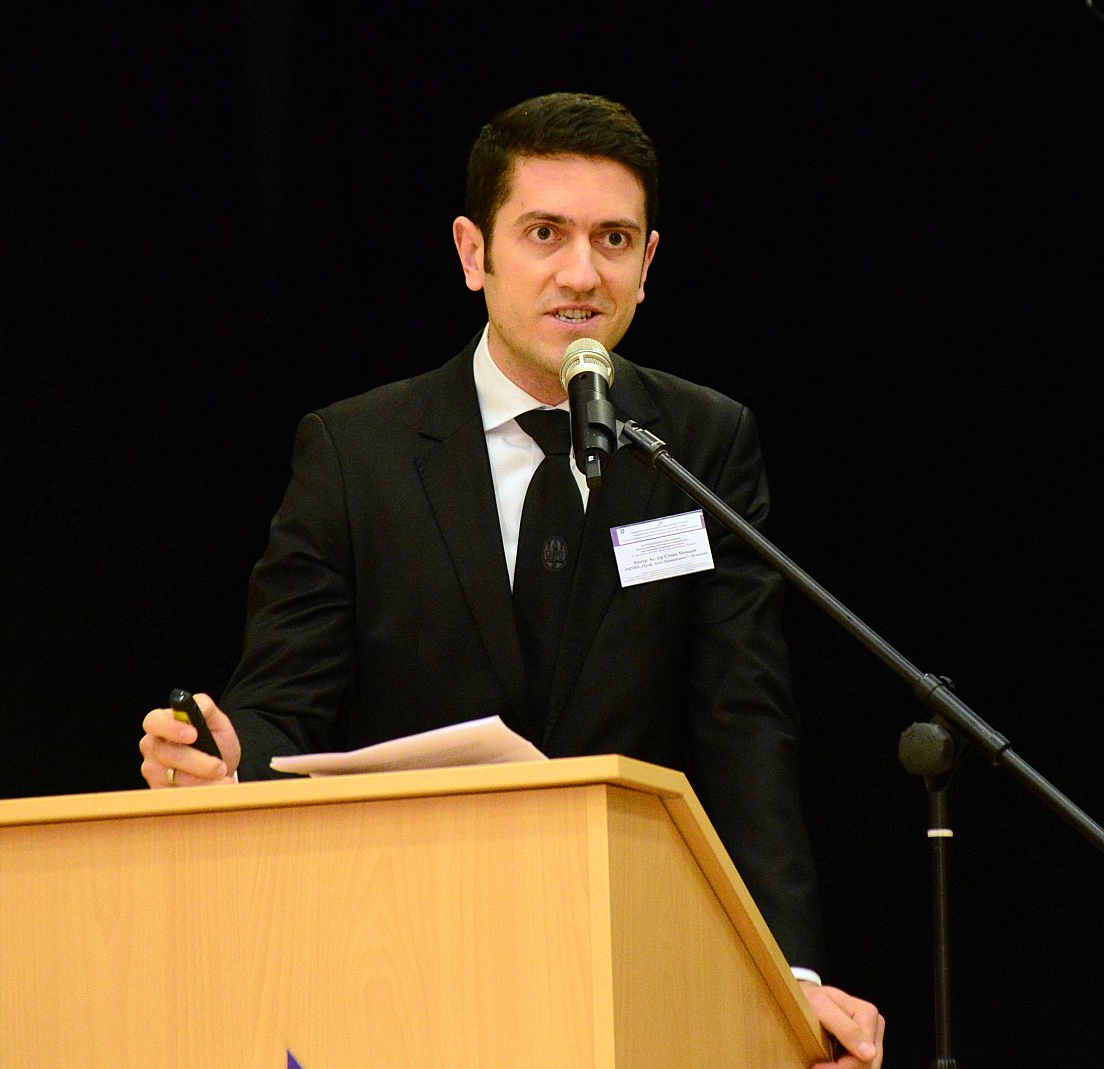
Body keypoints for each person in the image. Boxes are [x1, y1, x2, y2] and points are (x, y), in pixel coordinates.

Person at [138, 90, 884, 1067]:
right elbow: (284, 707)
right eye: (544, 233)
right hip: (401, 955)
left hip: (630, 955)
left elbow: (741, 720)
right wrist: (229, 759)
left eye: (613, 240)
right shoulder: (358, 454)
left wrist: (789, 976)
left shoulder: (699, 444)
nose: (581, 273)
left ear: (648, 263)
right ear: (472, 252)